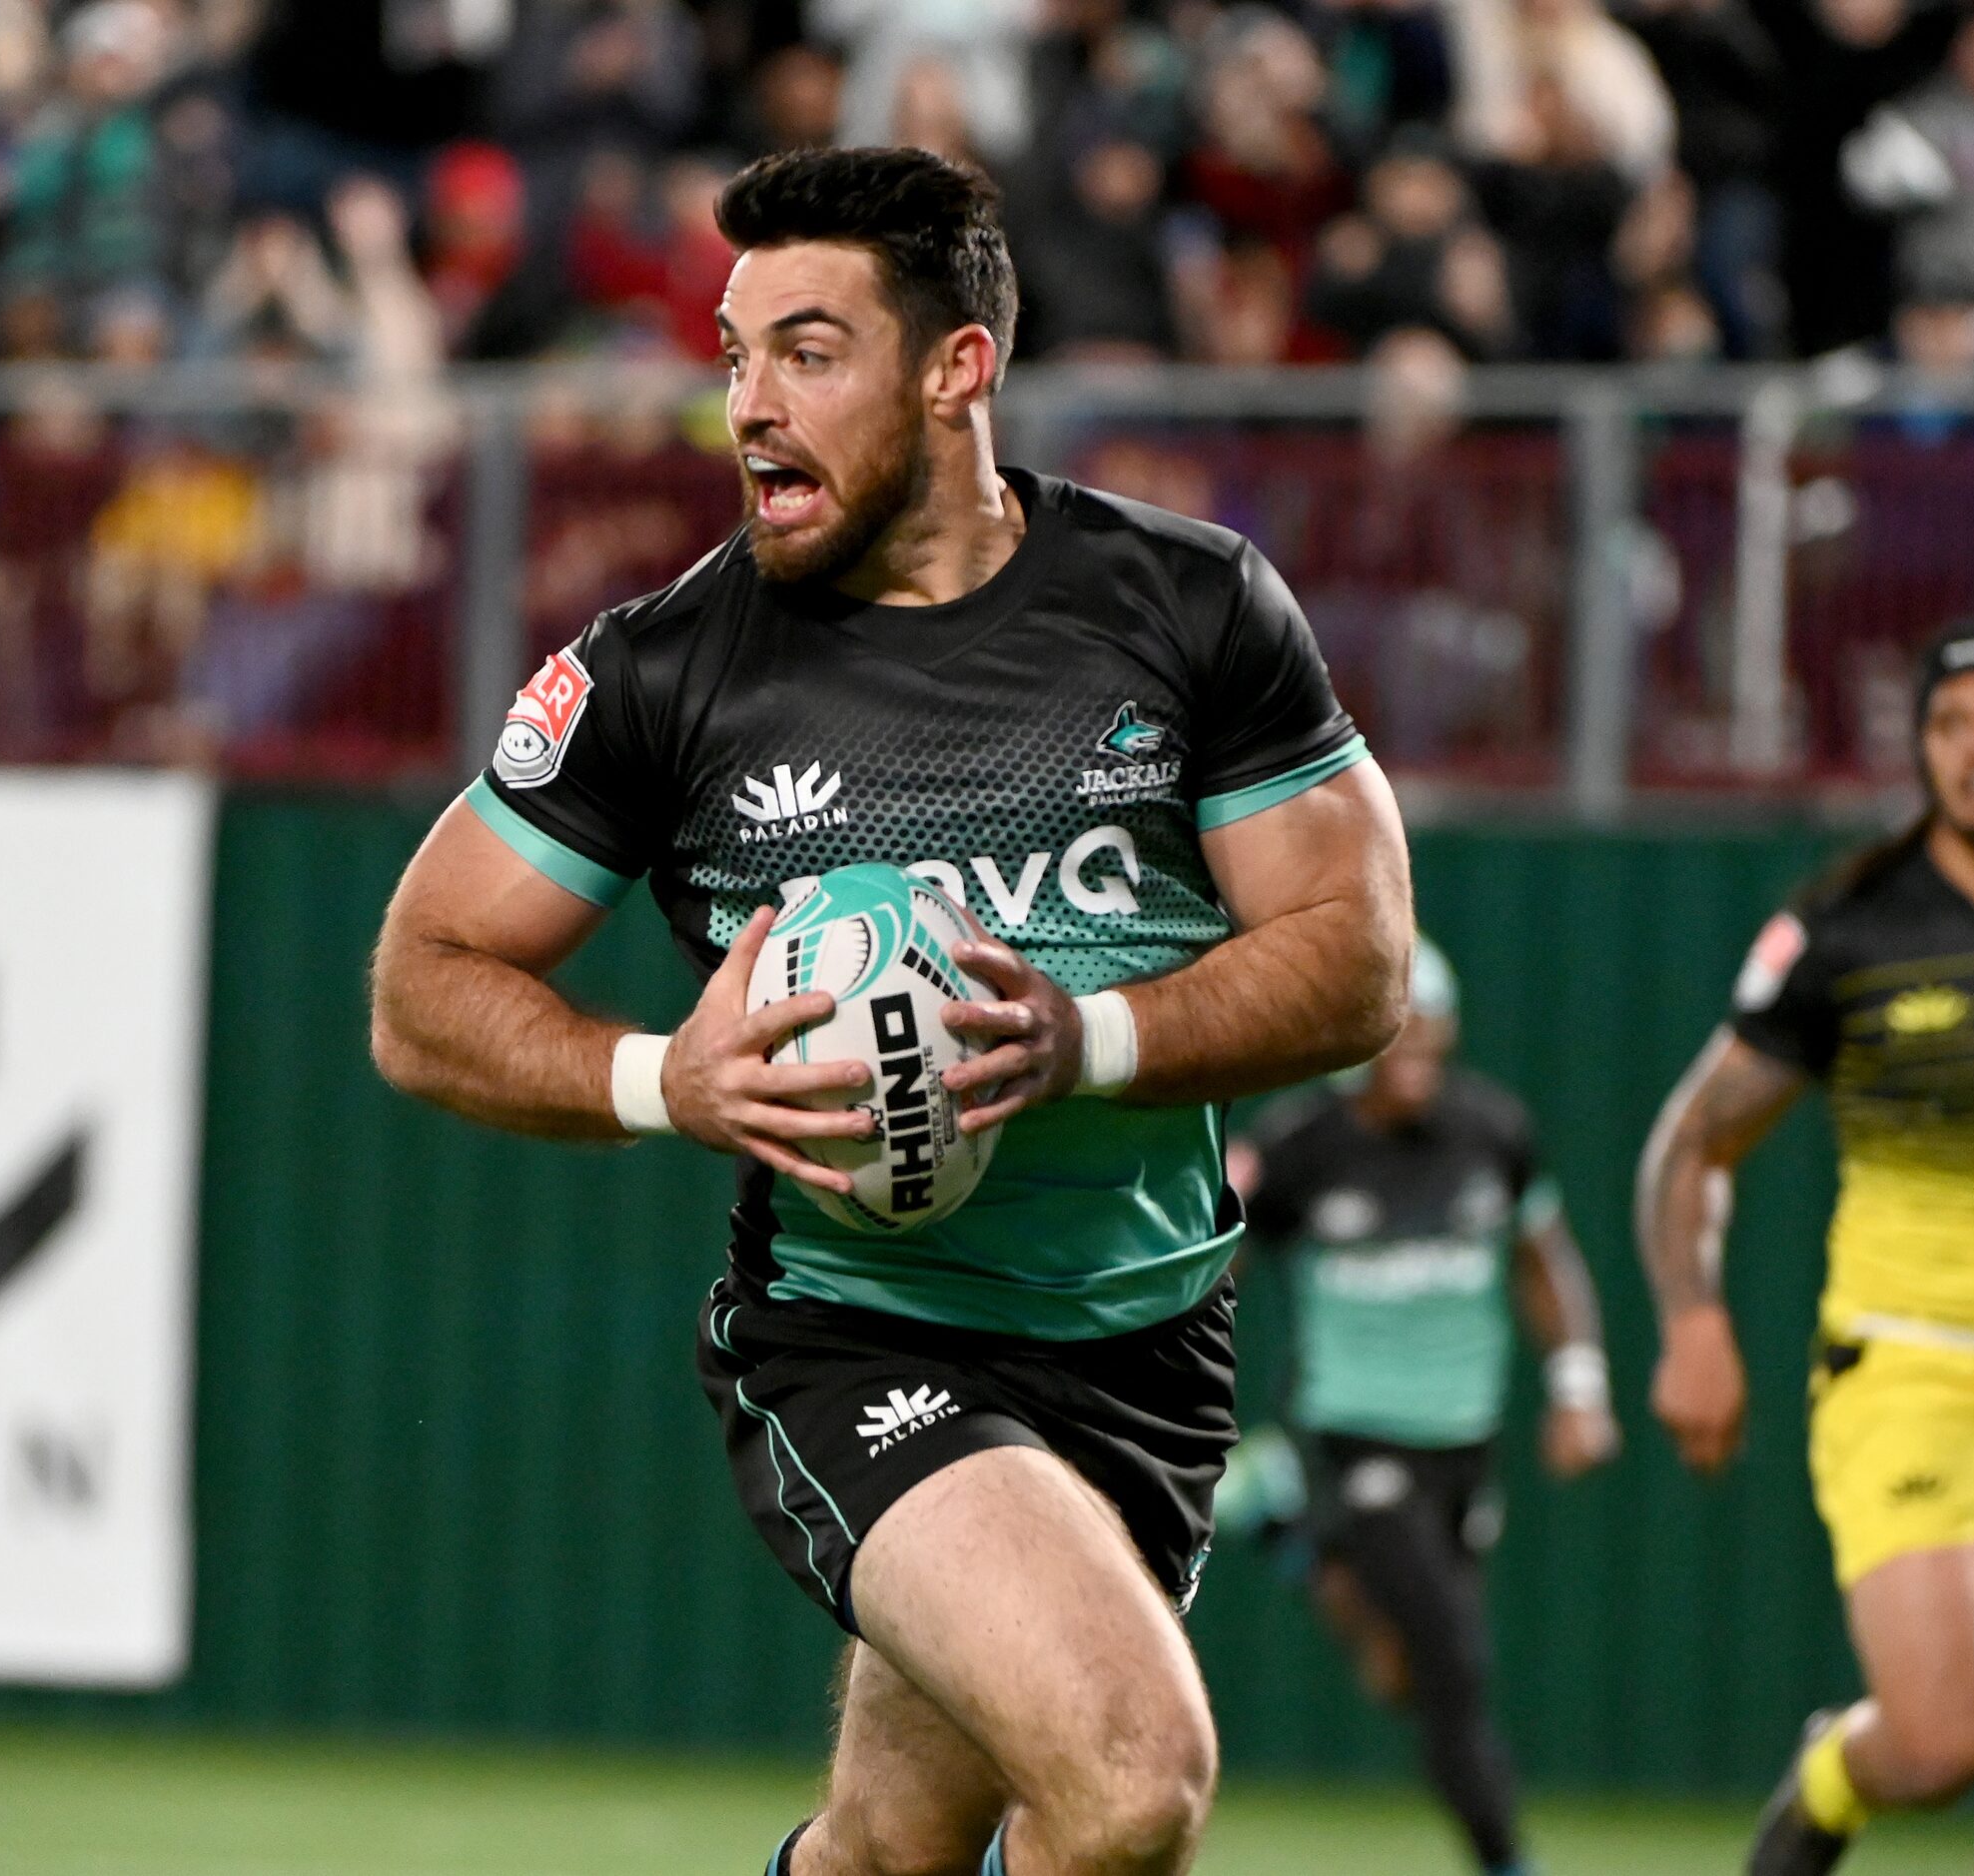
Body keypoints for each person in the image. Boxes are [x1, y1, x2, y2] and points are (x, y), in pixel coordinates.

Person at [370, 146, 1414, 1876]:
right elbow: (424, 986)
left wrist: (1089, 1040)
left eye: (807, 350)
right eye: (730, 356)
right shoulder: (662, 668)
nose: (748, 406)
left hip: (1147, 1337)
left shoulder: (1187, 602)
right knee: (1130, 1778)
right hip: (866, 1334)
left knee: (890, 1848)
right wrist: (660, 1077)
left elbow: (1359, 956)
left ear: (957, 369)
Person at [1640, 617, 1974, 1876]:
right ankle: (1830, 1779)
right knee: (1951, 1744)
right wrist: (1693, 1323)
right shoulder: (1850, 924)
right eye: (1951, 724)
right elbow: (1692, 1147)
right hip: (1912, 1372)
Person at [1220, 936, 1618, 1876]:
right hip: (1353, 1429)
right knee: (1452, 1668)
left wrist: (1578, 1387)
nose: (1417, 1068)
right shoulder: (1299, 1145)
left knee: (1400, 1670)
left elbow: (1542, 1257)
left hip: (1463, 1440)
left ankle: (1286, 1529)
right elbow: (1216, 1267)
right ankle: (1507, 1860)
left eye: (1432, 1044)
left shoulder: (1490, 1131)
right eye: (1400, 1045)